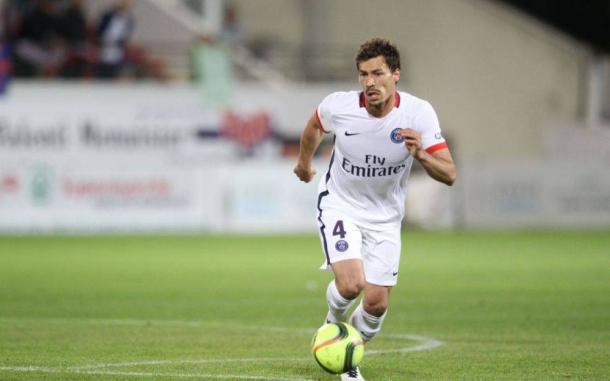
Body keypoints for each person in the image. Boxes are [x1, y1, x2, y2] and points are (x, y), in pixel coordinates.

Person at [293, 38, 456, 381]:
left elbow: (450, 173)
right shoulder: (339, 107)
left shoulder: (418, 113)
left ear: (396, 75)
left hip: (385, 217)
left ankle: (343, 343)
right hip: (341, 205)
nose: (370, 82)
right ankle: (343, 352)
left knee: (376, 303)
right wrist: (304, 164)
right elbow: (313, 127)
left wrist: (420, 155)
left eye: (378, 73)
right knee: (351, 285)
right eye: (363, 74)